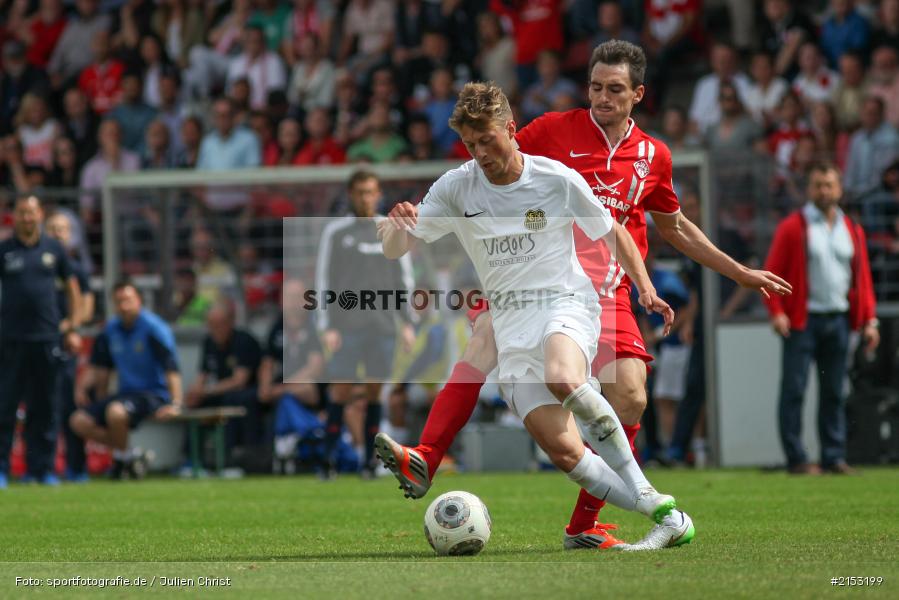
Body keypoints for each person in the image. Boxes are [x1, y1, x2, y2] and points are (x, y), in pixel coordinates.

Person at [375, 40, 790, 550]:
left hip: (597, 287)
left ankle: (586, 520)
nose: (602, 98)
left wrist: (738, 272)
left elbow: (674, 227)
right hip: (522, 278)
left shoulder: (653, 156)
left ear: (638, 93)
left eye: (614, 89)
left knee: (630, 393)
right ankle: (428, 456)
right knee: (489, 349)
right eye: (595, 86)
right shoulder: (550, 130)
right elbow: (497, 169)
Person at [380, 81, 692, 551]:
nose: (480, 152)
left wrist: (645, 288)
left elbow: (614, 234)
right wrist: (397, 228)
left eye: (488, 139)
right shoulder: (456, 188)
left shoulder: (554, 178)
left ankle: (647, 491)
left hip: (565, 302)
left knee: (564, 376)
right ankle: (663, 512)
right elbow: (395, 247)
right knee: (567, 453)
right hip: (510, 324)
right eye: (470, 144)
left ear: (510, 129)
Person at [764, 161, 879, 475]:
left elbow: (863, 279)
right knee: (794, 391)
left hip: (839, 320)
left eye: (829, 184)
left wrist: (870, 320)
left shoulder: (852, 229)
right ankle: (796, 458)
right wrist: (776, 313)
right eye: (818, 185)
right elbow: (770, 274)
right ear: (808, 189)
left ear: (839, 189)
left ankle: (833, 455)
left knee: (834, 392)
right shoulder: (793, 227)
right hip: (802, 322)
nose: (824, 191)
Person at [315, 170, 416, 479]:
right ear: (350, 194)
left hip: (383, 324)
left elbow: (404, 279)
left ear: (378, 193)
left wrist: (408, 321)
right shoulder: (336, 232)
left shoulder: (389, 228)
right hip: (347, 325)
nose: (365, 197)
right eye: (359, 192)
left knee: (375, 391)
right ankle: (328, 459)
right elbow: (324, 279)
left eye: (370, 191)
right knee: (341, 391)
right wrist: (327, 324)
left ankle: (370, 462)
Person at [0, 195, 82, 488]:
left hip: (47, 339)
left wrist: (72, 323)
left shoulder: (54, 249)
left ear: (39, 215)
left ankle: (42, 469)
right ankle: (2, 470)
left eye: (31, 212)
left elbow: (73, 288)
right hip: (10, 340)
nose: (26, 218)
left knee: (45, 407)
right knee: (5, 407)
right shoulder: (5, 250)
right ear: (14, 216)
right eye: (21, 212)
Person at [70, 280, 181, 480]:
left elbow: (171, 368)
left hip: (153, 394)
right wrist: (81, 388)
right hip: (126, 395)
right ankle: (131, 455)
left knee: (116, 412)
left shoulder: (154, 328)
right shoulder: (111, 330)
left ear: (139, 300)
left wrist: (175, 403)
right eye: (118, 301)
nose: (123, 306)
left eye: (127, 300)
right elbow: (99, 367)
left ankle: (122, 462)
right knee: (78, 421)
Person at [46, 212, 95, 482]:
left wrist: (69, 327)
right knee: (42, 407)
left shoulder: (75, 269)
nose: (58, 233)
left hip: (64, 343)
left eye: (62, 229)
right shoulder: (37, 264)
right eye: (52, 228)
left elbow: (87, 308)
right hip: (35, 342)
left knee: (67, 405)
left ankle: (76, 467)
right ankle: (42, 467)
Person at [259, 279, 325, 470]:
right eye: (288, 297)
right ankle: (270, 448)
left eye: (297, 297)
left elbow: (315, 367)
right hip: (281, 387)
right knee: (254, 398)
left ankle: (289, 440)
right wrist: (265, 386)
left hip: (310, 388)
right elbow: (267, 362)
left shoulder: (314, 327)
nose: (292, 302)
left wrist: (281, 388)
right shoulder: (277, 327)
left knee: (302, 390)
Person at [185, 301, 264, 461]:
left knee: (233, 400)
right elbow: (202, 375)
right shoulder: (209, 342)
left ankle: (232, 458)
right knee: (194, 405)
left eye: (218, 324)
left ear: (230, 322)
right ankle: (191, 460)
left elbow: (239, 381)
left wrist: (206, 391)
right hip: (219, 393)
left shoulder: (243, 341)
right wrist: (194, 393)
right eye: (211, 325)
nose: (215, 330)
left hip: (246, 395)